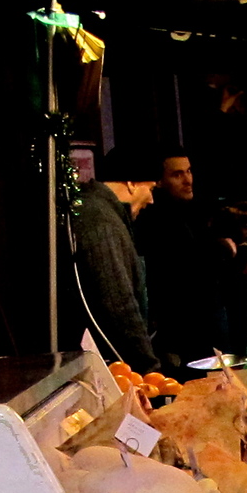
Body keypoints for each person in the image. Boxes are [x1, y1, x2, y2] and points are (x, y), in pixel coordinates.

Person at [135, 151, 237, 367]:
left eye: (189, 171)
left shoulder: (189, 210)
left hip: (205, 318)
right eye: (177, 174)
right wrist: (224, 248)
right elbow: (192, 261)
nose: (187, 179)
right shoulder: (159, 218)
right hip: (187, 327)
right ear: (160, 181)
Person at [74, 148, 161, 372]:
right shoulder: (99, 219)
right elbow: (117, 301)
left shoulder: (103, 213)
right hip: (112, 365)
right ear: (131, 183)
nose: (151, 200)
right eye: (150, 188)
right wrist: (148, 367)